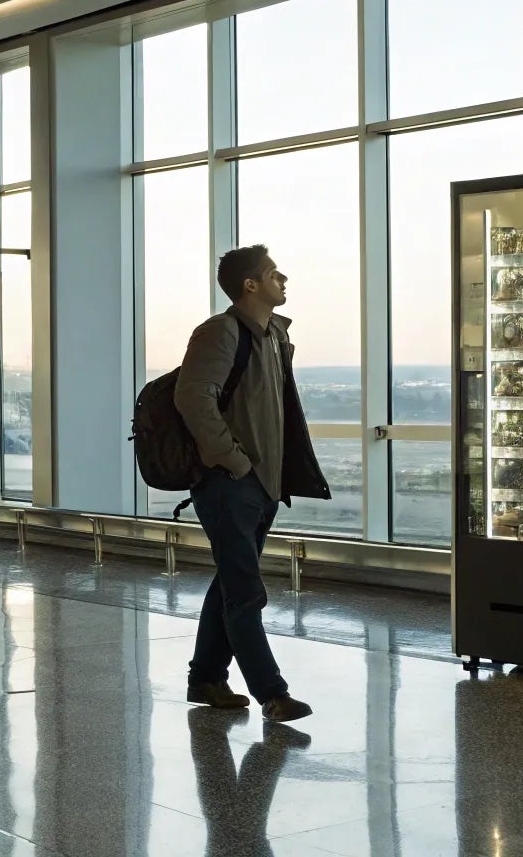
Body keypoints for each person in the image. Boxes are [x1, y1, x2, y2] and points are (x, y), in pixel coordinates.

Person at [173, 244, 328, 723]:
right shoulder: (220, 333)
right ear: (250, 285)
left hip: (260, 483)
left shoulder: (273, 336)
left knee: (230, 582)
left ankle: (206, 679)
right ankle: (272, 694)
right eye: (273, 273)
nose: (284, 279)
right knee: (245, 591)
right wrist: (234, 461)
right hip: (228, 482)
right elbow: (192, 398)